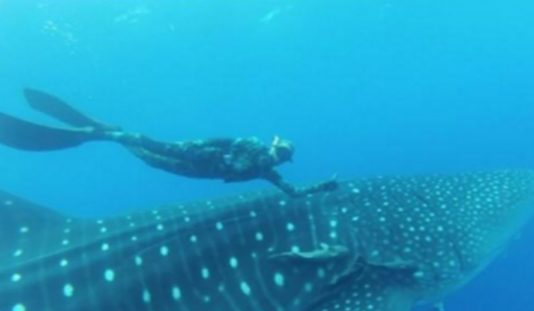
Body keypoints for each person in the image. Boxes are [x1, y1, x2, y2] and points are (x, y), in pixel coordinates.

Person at [0, 88, 338, 197]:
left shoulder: (263, 162)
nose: (279, 157)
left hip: (195, 163)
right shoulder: (263, 162)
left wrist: (322, 187)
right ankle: (105, 134)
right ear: (280, 153)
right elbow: (294, 192)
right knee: (149, 148)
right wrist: (321, 186)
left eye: (281, 153)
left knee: (149, 154)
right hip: (196, 160)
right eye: (282, 154)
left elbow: (292, 192)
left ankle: (110, 133)